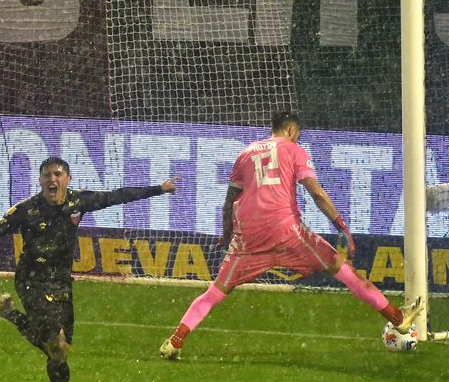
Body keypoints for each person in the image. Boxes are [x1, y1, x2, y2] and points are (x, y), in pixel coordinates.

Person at [159, 110, 422, 359]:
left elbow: (229, 203)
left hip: (248, 239)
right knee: (344, 271)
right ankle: (398, 319)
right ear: (292, 130)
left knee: (214, 293)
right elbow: (316, 193)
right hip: (287, 232)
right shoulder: (294, 150)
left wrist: (227, 235)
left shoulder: (245, 154)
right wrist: (340, 225)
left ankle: (175, 341)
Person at [0, 156, 179, 382]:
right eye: (47, 175)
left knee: (61, 350)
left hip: (61, 282)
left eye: (58, 174)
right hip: (31, 281)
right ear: (40, 180)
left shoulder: (77, 202)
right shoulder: (27, 210)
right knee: (56, 346)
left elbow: (116, 196)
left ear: (67, 179)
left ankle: (9, 312)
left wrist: (158, 189)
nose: (52, 179)